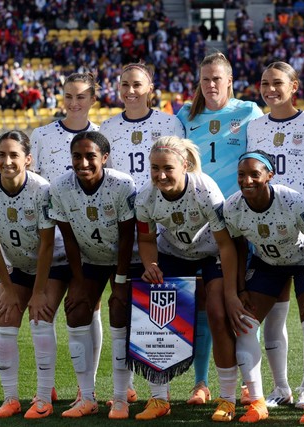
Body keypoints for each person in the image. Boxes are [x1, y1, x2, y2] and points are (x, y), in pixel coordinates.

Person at [29, 72, 138, 404]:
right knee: (68, 307)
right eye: (68, 96)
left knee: (112, 308)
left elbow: (109, 192)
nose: (73, 102)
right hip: (58, 239)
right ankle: (58, 386)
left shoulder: (104, 135)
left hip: (105, 239)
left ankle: (122, 386)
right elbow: (34, 185)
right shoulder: (42, 134)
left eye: (80, 96)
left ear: (94, 98)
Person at [176, 52, 262, 406]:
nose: (210, 85)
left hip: (238, 223)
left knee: (237, 300)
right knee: (201, 308)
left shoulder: (248, 113)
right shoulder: (185, 115)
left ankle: (246, 381)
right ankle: (201, 383)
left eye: (217, 79)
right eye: (205, 79)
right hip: (197, 221)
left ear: (229, 81)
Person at [99, 62, 185, 417]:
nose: (130, 91)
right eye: (124, 85)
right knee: (120, 305)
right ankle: (126, 389)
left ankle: (158, 393)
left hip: (159, 228)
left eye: (137, 84)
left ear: (151, 88)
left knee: (154, 309)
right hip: (121, 227)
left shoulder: (169, 123)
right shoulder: (107, 126)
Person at [135, 136, 241, 421]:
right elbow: (145, 238)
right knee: (155, 315)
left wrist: (230, 291)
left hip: (211, 252)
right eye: (155, 168)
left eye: (168, 168)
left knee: (218, 314)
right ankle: (159, 399)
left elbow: (226, 244)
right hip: (172, 252)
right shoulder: (145, 196)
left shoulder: (205, 190)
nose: (161, 175)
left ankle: (228, 399)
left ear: (185, 165)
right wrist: (151, 264)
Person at [245, 61, 304, 410]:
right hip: (268, 240)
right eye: (265, 82)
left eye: (278, 82)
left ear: (294, 86)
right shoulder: (255, 128)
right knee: (271, 319)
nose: (270, 89)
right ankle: (280, 389)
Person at [223, 151, 304, 425]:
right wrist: (240, 288)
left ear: (269, 175)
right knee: (245, 324)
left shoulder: (291, 200)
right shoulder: (233, 207)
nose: (247, 180)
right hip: (268, 262)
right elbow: (237, 246)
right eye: (241, 175)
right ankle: (258, 401)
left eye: (254, 174)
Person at [0, 130, 68, 419]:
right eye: (2, 154)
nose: (7, 161)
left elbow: (47, 244)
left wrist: (38, 292)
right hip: (15, 266)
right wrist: (9, 287)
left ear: (28, 159)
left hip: (52, 264)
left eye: (14, 155)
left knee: (40, 318)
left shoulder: (42, 190)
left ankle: (43, 399)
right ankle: (10, 398)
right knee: (4, 318)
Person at [48, 131, 136, 418]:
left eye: (90, 156)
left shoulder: (122, 184)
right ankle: (86, 397)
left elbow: (126, 238)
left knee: (120, 310)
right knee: (75, 308)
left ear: (105, 158)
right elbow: (69, 239)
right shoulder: (60, 187)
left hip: (126, 259)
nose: (83, 162)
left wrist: (121, 282)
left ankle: (121, 397)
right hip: (89, 260)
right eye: (77, 156)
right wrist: (79, 280)